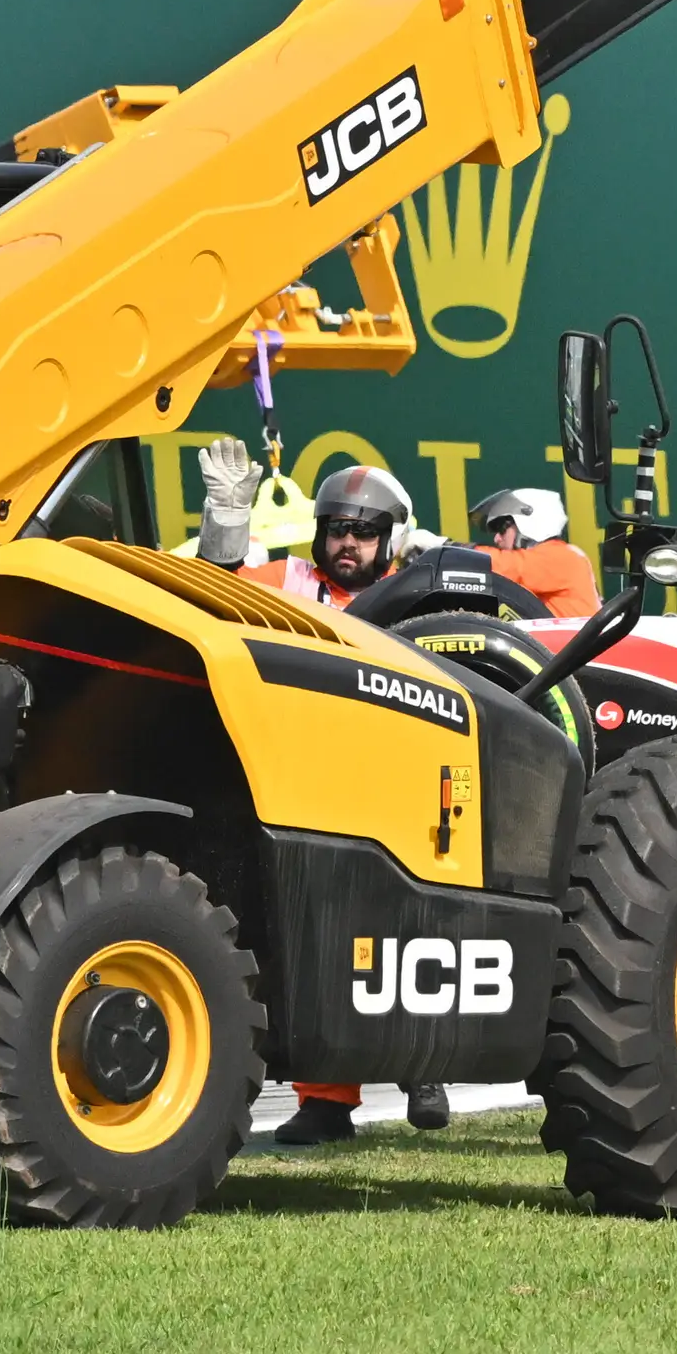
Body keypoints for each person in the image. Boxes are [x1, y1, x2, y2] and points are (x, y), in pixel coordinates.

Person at [192, 448, 451, 1144]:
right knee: (316, 937)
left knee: (416, 925)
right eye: (336, 528)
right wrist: (225, 518)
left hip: (406, 783)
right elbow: (212, 593)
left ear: (391, 539)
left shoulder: (429, 592)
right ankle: (327, 1103)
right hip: (309, 783)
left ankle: (424, 1065)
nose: (346, 543)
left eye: (363, 532)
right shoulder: (290, 581)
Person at [472, 487, 597, 620]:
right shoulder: (556, 556)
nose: (496, 539)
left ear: (528, 523)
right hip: (564, 639)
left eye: (502, 529)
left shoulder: (560, 557)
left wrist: (457, 551)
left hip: (575, 639)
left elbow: (508, 567)